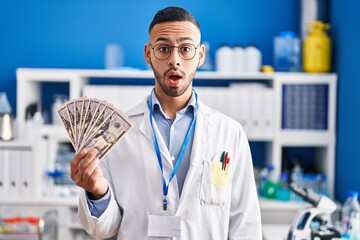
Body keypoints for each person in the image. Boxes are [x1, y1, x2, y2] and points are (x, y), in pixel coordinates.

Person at [70, 6, 262, 239]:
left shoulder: (230, 133)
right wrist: (97, 192)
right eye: (163, 49)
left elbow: (245, 227)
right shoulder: (114, 133)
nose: (175, 60)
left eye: (185, 49)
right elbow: (104, 229)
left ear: (200, 55)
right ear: (148, 54)